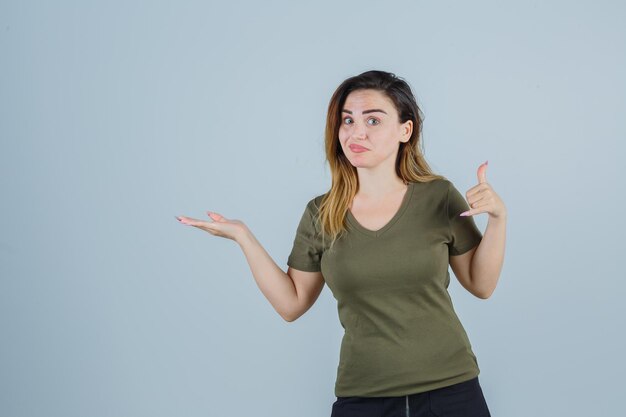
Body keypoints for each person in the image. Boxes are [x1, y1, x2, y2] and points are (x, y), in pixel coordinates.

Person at [176, 70, 507, 417]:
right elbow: (292, 304)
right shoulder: (322, 212)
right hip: (363, 396)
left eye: (373, 120)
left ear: (404, 131)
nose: (356, 132)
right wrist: (244, 237)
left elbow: (481, 285)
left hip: (451, 392)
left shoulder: (439, 197)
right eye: (347, 120)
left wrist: (498, 219)